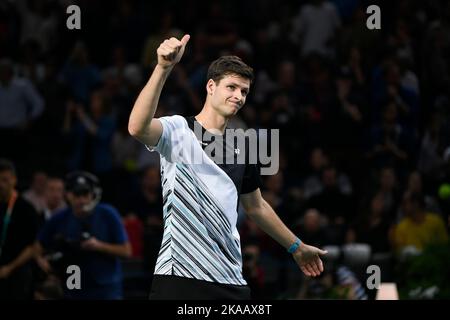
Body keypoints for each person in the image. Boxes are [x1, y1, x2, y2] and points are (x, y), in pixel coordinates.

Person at [128, 34, 328, 300]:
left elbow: (256, 207)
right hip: (179, 274)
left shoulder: (244, 146)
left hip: (229, 277)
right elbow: (137, 127)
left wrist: (297, 247)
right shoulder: (178, 129)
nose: (238, 96)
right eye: (231, 87)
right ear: (211, 87)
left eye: (244, 91)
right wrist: (163, 68)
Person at [35, 171, 131, 299]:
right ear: (68, 195)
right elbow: (37, 246)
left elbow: (126, 251)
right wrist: (42, 261)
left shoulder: (107, 213)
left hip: (105, 286)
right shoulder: (60, 218)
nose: (81, 200)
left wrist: (99, 246)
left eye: (85, 194)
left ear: (93, 194)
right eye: (76, 194)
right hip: (73, 284)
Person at [0, 158, 39, 299]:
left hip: (17, 272)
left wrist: (9, 268)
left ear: (14, 180)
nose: (1, 185)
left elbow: (33, 246)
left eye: (5, 180)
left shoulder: (26, 209)